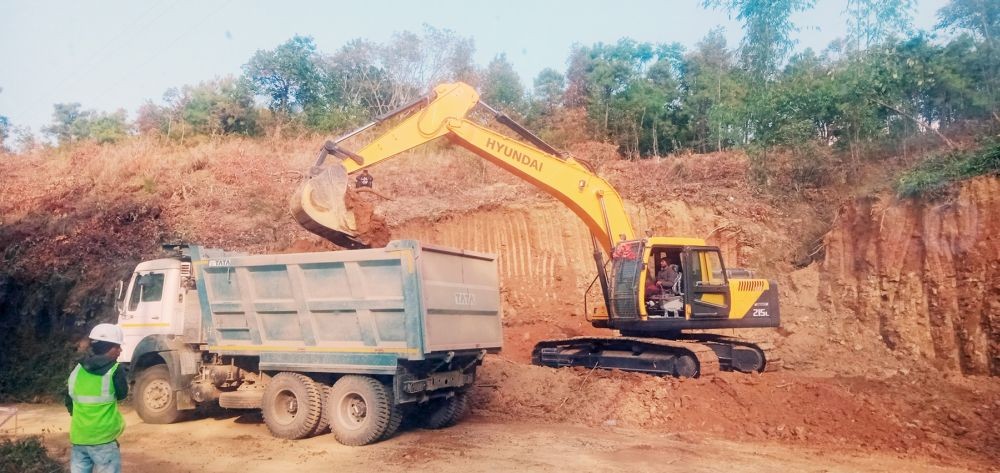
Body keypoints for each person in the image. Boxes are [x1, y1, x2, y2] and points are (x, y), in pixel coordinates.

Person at [65, 323, 128, 473]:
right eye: (117, 347)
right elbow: (122, 394)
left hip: (79, 438)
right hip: (104, 439)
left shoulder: (77, 369)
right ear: (109, 348)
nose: (120, 350)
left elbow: (68, 400)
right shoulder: (115, 370)